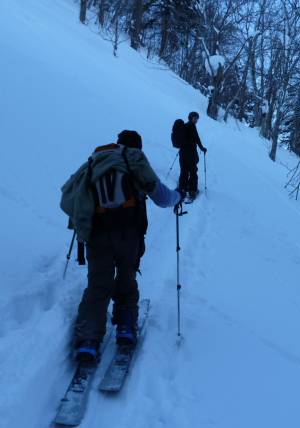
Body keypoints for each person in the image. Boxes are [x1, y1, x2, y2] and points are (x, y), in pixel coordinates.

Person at [60, 130, 185, 363]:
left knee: (98, 284)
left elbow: (71, 198)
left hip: (97, 235)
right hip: (128, 232)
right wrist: (178, 196)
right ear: (137, 147)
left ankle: (88, 339)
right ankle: (126, 328)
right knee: (126, 279)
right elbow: (160, 196)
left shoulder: (95, 161)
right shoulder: (134, 159)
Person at [178, 111, 207, 201]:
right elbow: (197, 139)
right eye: (195, 118)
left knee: (184, 171)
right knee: (193, 171)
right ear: (191, 117)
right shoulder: (191, 126)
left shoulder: (184, 126)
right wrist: (202, 148)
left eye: (197, 118)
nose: (196, 120)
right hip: (190, 154)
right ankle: (192, 191)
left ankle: (182, 188)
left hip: (182, 153)